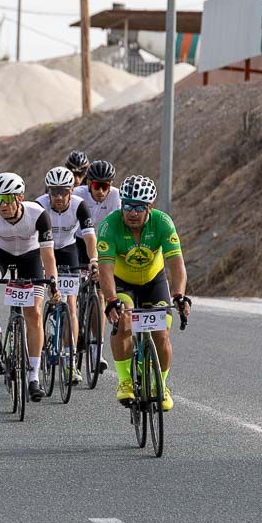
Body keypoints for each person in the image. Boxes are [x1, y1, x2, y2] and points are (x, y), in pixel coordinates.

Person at [97, 175, 191, 411]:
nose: (132, 212)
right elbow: (105, 269)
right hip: (122, 283)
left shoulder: (162, 223)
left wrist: (179, 295)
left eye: (139, 207)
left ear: (150, 206)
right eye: (127, 206)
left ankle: (161, 383)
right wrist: (111, 300)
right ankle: (125, 380)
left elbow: (177, 264)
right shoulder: (110, 225)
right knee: (125, 321)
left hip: (153, 281)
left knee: (161, 334)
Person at [0, 172, 60, 403]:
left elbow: (48, 256)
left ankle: (33, 376)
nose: (1, 205)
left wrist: (53, 283)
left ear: (20, 197)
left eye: (7, 199)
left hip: (30, 256)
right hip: (1, 255)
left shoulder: (39, 215)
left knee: (33, 313)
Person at [38, 166, 98, 380]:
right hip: (42, 249)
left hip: (68, 250)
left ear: (72, 190)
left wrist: (93, 260)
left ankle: (70, 362)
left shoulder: (80, 206)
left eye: (64, 191)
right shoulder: (40, 205)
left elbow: (90, 236)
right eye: (55, 192)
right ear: (49, 192)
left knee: (71, 305)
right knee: (37, 302)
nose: (60, 197)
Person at [74, 160, 121, 227]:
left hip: (103, 236)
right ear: (89, 183)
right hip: (79, 236)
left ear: (110, 185)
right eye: (97, 185)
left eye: (105, 186)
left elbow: (118, 222)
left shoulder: (117, 195)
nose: (100, 191)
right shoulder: (77, 193)